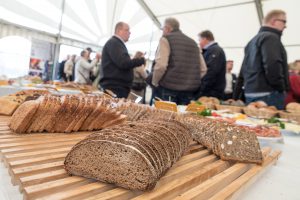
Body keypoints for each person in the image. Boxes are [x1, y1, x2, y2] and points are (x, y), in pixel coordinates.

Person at [236, 9, 289, 110]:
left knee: (253, 125)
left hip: (251, 93)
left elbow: (243, 71)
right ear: (274, 21)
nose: (285, 26)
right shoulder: (271, 37)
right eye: (284, 21)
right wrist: (281, 87)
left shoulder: (252, 41)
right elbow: (272, 64)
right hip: (269, 94)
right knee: (272, 125)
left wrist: (237, 93)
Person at [151, 17, 207, 105]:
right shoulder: (193, 42)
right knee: (182, 118)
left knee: (163, 117)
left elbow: (161, 65)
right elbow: (203, 69)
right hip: (188, 91)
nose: (162, 31)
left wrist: (155, 82)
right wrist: (190, 80)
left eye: (162, 29)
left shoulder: (165, 39)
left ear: (167, 28)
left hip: (168, 88)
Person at [100, 22, 145, 98]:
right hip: (115, 87)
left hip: (116, 87)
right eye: (127, 30)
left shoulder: (116, 43)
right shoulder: (114, 43)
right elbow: (123, 63)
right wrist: (140, 60)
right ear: (119, 31)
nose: (129, 33)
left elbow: (122, 61)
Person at [197, 30, 226, 99]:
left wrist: (201, 90)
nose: (199, 43)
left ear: (205, 39)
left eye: (200, 40)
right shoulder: (211, 50)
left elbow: (211, 72)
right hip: (210, 90)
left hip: (211, 92)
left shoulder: (215, 50)